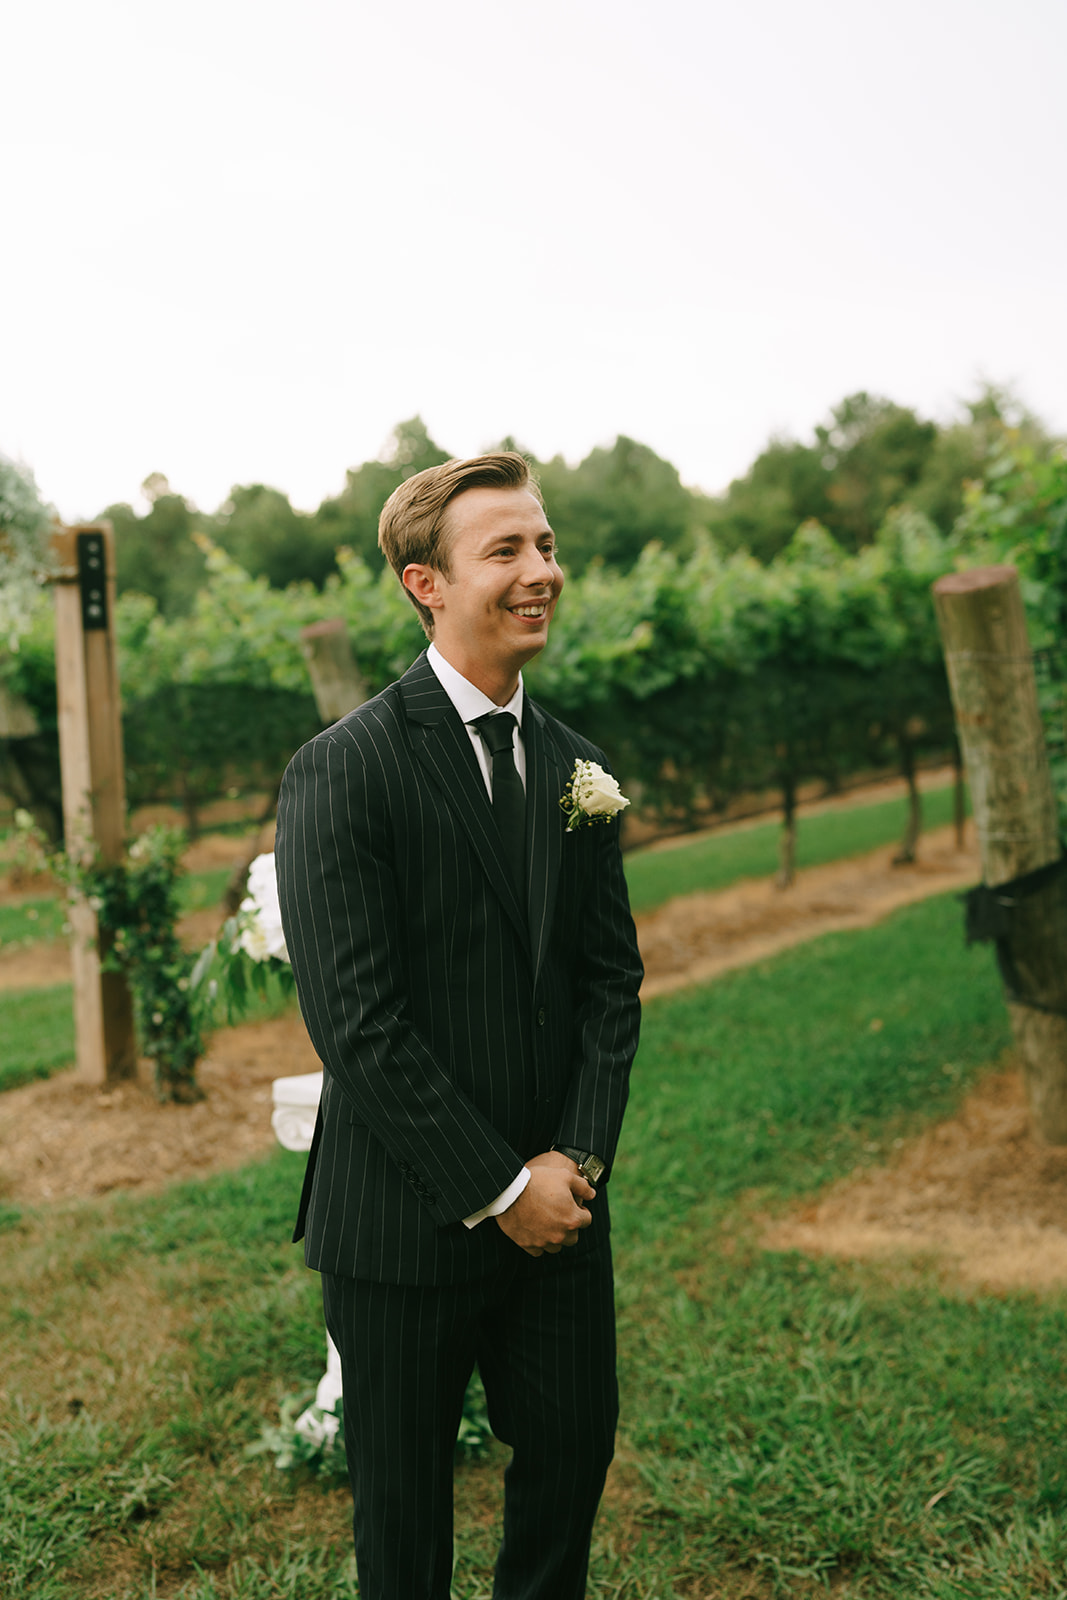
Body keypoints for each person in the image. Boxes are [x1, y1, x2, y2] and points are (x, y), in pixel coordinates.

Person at [275, 451, 643, 1600]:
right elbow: (358, 1023)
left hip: (559, 1215)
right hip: (400, 1226)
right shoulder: (343, 769)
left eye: (543, 545)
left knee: (573, 1453)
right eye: (506, 551)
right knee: (404, 1526)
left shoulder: (579, 766)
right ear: (424, 583)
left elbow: (606, 986)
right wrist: (498, 1187)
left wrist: (570, 1166)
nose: (542, 570)